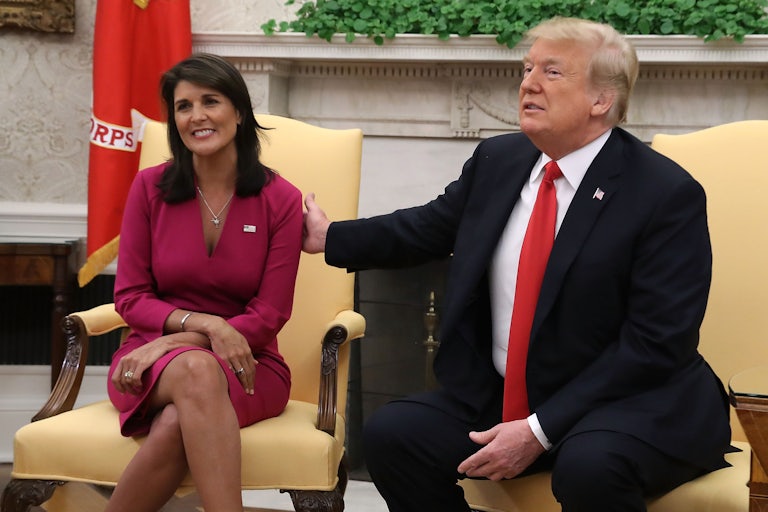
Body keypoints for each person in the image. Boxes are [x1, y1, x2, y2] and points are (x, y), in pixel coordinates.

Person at [303, 16, 731, 512]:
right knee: (394, 435)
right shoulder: (500, 160)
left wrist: (538, 430)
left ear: (601, 100)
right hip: (505, 395)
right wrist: (328, 237)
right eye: (527, 68)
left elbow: (656, 344)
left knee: (589, 468)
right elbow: (429, 226)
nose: (527, 82)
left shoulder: (663, 194)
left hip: (625, 404)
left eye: (552, 72)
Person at [106, 53, 303, 512]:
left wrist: (183, 339)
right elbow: (130, 298)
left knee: (180, 414)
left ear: (238, 110)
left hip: (248, 364)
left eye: (210, 101)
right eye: (183, 106)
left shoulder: (282, 199)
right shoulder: (148, 188)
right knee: (194, 370)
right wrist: (209, 327)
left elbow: (271, 314)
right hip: (145, 362)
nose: (196, 116)